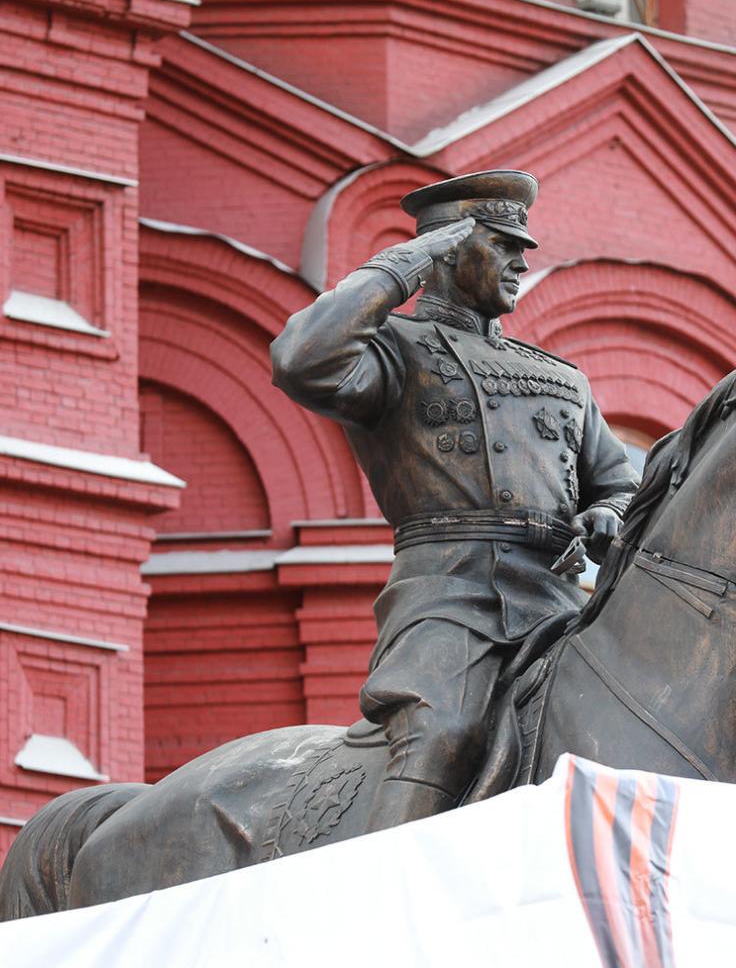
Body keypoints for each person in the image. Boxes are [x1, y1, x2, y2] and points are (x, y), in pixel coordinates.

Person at [270, 169, 640, 830]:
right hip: (448, 600)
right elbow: (302, 358)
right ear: (447, 249)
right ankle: (387, 886)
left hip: (557, 604)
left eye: (522, 245)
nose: (522, 260)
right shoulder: (396, 352)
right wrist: (403, 265)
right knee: (443, 733)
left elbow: (618, 482)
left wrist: (609, 512)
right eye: (501, 244)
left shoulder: (561, 379)